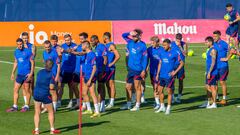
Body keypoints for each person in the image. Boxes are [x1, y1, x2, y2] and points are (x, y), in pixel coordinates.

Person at [120, 29, 148, 111]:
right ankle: (128, 104)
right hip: (130, 69)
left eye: (135, 36)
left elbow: (145, 59)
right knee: (128, 87)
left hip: (138, 69)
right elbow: (123, 35)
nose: (133, 37)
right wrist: (129, 33)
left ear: (139, 36)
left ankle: (137, 105)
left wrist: (144, 70)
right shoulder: (130, 42)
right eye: (132, 36)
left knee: (137, 87)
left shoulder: (143, 46)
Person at [155, 39, 184, 115]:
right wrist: (157, 74)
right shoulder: (161, 52)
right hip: (161, 75)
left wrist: (175, 72)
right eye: (163, 45)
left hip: (169, 76)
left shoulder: (175, 53)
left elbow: (181, 63)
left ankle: (168, 108)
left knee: (169, 92)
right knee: (159, 91)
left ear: (169, 45)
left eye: (165, 45)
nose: (163, 46)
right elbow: (160, 63)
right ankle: (162, 106)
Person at [32, 59, 60, 134]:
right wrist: (57, 87)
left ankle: (36, 130)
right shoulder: (51, 74)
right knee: (51, 112)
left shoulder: (40, 72)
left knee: (37, 112)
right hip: (45, 94)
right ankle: (52, 129)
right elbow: (51, 87)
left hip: (36, 93)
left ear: (45, 65)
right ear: (52, 66)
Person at [6, 38, 34, 112]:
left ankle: (27, 106)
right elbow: (16, 62)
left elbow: (32, 63)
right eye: (18, 44)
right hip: (19, 74)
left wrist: (31, 73)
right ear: (16, 45)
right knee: (15, 89)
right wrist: (13, 72)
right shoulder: (16, 51)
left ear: (23, 44)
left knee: (27, 90)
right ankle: (15, 106)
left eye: (21, 44)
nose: (19, 46)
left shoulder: (28, 52)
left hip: (27, 75)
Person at [59, 34, 79, 109]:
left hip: (72, 69)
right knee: (61, 86)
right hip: (64, 69)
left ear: (71, 39)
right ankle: (59, 101)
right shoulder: (62, 45)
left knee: (71, 86)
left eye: (69, 40)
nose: (67, 41)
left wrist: (64, 51)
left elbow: (70, 51)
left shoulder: (75, 45)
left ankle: (71, 101)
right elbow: (60, 55)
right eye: (66, 40)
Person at [81, 41, 100, 118]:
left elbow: (94, 68)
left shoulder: (92, 54)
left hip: (90, 77)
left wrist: (90, 79)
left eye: (82, 45)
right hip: (86, 76)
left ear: (86, 46)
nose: (81, 46)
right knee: (84, 93)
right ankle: (89, 109)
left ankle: (97, 111)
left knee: (92, 93)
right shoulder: (87, 54)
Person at [213, 30, 231, 105]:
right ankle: (216, 98)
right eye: (213, 36)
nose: (214, 38)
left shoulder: (223, 43)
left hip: (223, 66)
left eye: (215, 36)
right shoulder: (213, 44)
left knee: (222, 82)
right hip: (215, 66)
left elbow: (232, 50)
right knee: (215, 82)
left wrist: (227, 58)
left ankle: (224, 99)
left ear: (219, 36)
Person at [103, 32, 121, 109]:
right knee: (107, 85)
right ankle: (110, 100)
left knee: (111, 84)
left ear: (105, 38)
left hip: (111, 68)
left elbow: (118, 56)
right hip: (106, 68)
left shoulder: (111, 45)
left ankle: (112, 102)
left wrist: (112, 63)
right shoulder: (106, 45)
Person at [42, 40, 61, 112]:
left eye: (49, 47)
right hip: (46, 75)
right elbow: (45, 64)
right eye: (46, 47)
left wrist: (57, 76)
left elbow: (59, 65)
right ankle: (47, 107)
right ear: (44, 47)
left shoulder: (54, 53)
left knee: (53, 90)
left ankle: (54, 108)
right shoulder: (44, 53)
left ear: (50, 46)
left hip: (53, 75)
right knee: (47, 90)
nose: (48, 48)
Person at [71, 32, 88, 110]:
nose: (80, 40)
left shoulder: (87, 47)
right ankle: (79, 102)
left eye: (82, 39)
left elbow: (82, 53)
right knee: (74, 85)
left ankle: (84, 105)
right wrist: (68, 50)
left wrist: (74, 52)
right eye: (80, 39)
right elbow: (70, 50)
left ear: (85, 39)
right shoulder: (78, 46)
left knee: (84, 89)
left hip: (84, 70)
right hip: (77, 69)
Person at [90, 35, 108, 112]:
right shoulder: (93, 47)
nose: (91, 42)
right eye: (90, 41)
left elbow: (105, 59)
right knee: (97, 88)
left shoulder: (101, 47)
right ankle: (100, 104)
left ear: (97, 40)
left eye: (92, 41)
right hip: (95, 70)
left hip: (101, 70)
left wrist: (103, 70)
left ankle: (102, 105)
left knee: (101, 86)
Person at [171, 33, 188, 103]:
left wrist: (180, 47)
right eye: (177, 39)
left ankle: (179, 97)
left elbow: (186, 54)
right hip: (173, 65)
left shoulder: (184, 44)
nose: (178, 41)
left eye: (180, 40)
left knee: (181, 81)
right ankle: (172, 97)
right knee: (172, 81)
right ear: (175, 38)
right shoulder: (171, 44)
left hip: (181, 65)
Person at [147, 36, 163, 110]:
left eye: (153, 42)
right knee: (154, 87)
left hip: (160, 72)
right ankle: (157, 103)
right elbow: (147, 60)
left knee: (159, 88)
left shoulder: (162, 50)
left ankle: (160, 103)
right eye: (151, 42)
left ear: (157, 43)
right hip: (152, 71)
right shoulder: (149, 50)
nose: (151, 43)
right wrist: (146, 69)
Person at [21, 32, 36, 107]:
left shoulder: (32, 46)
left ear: (28, 38)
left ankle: (36, 102)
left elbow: (33, 57)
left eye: (26, 38)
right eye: (23, 38)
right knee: (24, 87)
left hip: (30, 69)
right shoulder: (20, 46)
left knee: (31, 87)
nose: (25, 40)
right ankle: (26, 103)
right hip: (23, 69)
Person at [204, 36, 218, 109]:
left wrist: (209, 72)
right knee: (207, 86)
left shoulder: (213, 50)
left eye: (206, 42)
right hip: (209, 71)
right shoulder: (209, 49)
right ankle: (210, 102)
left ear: (210, 42)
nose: (205, 44)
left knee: (212, 87)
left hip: (212, 72)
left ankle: (214, 103)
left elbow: (213, 62)